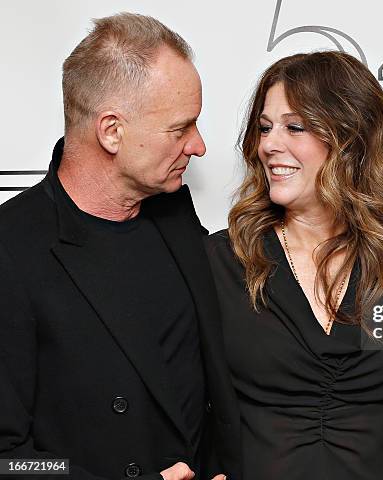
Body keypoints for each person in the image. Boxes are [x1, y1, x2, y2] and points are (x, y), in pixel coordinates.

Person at [0, 13, 235, 480]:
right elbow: (10, 458)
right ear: (111, 131)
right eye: (180, 128)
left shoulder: (172, 209)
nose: (200, 146)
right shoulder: (12, 248)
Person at [204, 51, 383, 480]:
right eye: (265, 127)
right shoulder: (226, 261)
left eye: (295, 127)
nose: (271, 144)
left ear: (351, 139)